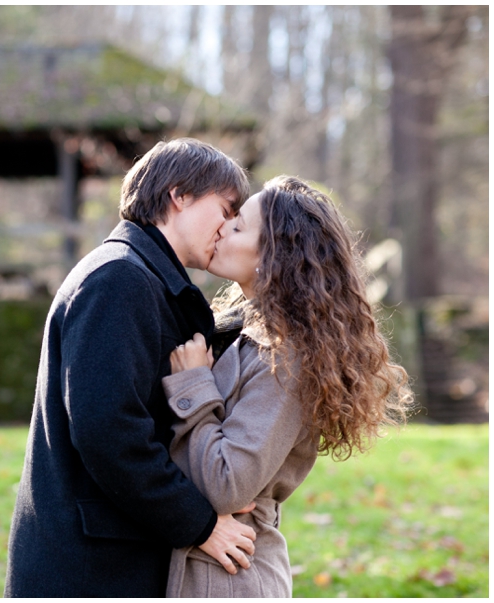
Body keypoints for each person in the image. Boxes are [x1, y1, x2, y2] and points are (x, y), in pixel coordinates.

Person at [4, 138, 258, 597]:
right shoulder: (118, 280)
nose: (227, 227)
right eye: (225, 208)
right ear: (179, 195)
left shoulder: (142, 279)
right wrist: (199, 524)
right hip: (90, 570)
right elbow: (109, 431)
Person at [162, 176, 414, 597]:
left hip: (228, 577)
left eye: (238, 226)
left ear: (273, 257)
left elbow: (225, 487)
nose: (222, 227)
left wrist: (193, 383)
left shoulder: (286, 358)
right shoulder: (242, 332)